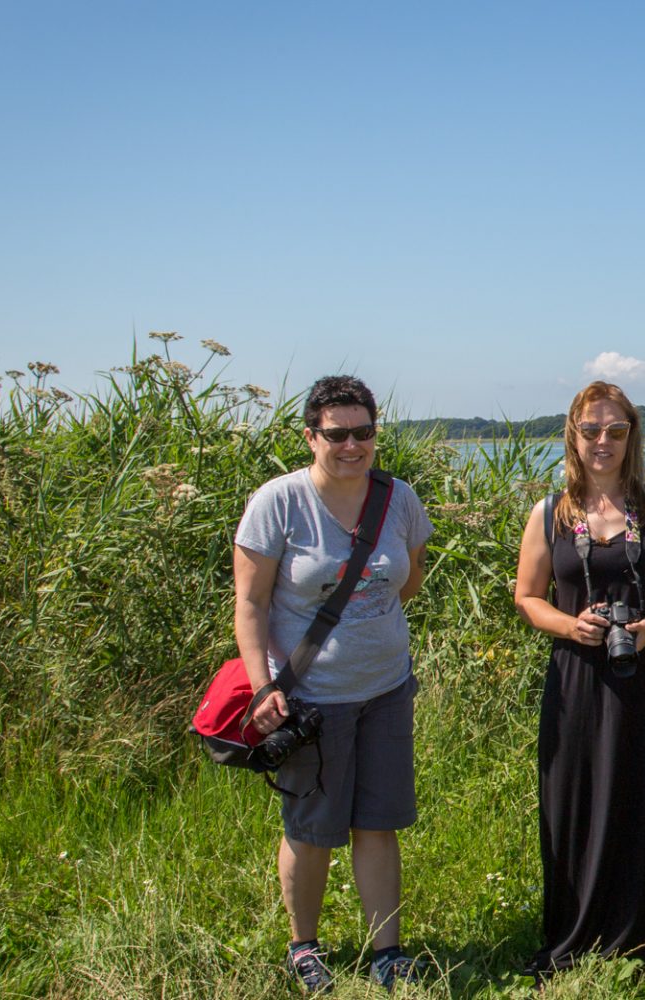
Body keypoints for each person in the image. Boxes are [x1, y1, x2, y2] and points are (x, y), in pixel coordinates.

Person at [233, 375, 434, 993]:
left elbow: (411, 577)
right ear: (310, 437)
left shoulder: (398, 498)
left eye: (364, 432)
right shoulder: (279, 502)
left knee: (379, 821)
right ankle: (304, 946)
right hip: (310, 700)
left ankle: (387, 952)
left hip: (386, 689)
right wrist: (262, 684)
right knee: (312, 827)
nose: (353, 445)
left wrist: (369, 632)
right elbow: (250, 602)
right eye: (337, 434)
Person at [513, 381, 645, 983]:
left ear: (631, 436)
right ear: (573, 434)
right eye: (591, 430)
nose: (603, 441)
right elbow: (526, 598)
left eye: (615, 431)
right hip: (577, 680)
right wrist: (572, 626)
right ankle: (574, 936)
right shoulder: (548, 514)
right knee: (573, 805)